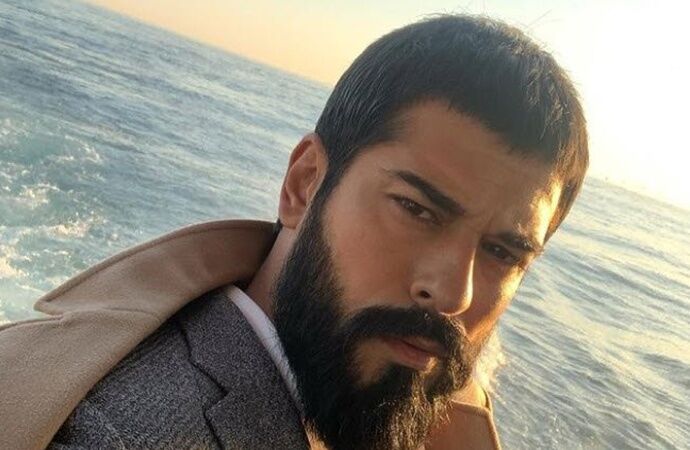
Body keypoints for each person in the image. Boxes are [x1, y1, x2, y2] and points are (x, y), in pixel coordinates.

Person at [0, 14, 588, 450]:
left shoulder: (370, 398)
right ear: (304, 185)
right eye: (416, 210)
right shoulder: (117, 435)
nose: (454, 293)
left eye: (503, 251)